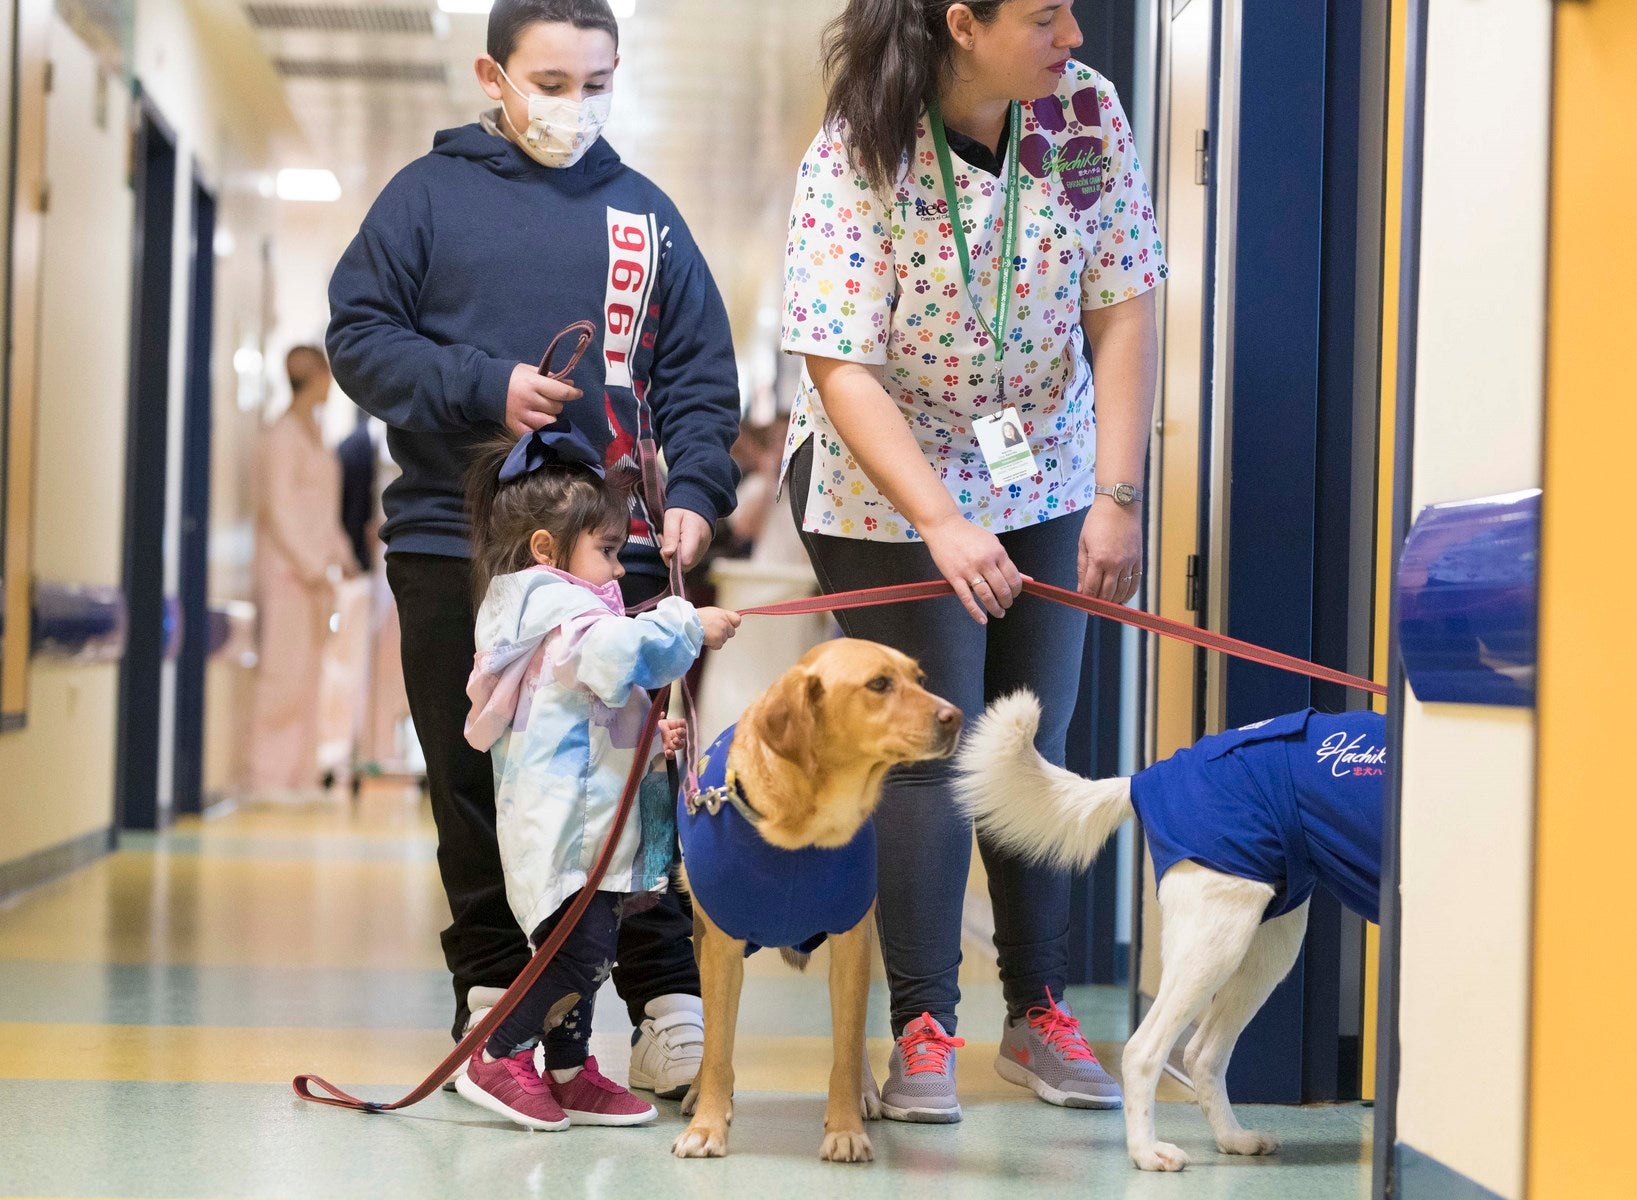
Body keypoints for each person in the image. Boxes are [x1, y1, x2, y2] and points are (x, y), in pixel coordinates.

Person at [325, 0, 741, 1098]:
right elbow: (359, 339)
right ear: (492, 76)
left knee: (633, 787)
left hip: (617, 561)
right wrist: (482, 386)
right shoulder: (424, 199)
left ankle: (665, 1003)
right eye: (550, 83)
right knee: (475, 780)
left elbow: (699, 376)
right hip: (451, 547)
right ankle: (496, 1007)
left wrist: (695, 490)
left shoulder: (645, 217)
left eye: (595, 81)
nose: (575, 104)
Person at [781, 0, 1166, 1121]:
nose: (1076, 37)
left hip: (1041, 459)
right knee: (929, 744)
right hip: (884, 479)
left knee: (1028, 727)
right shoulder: (859, 148)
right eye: (1046, 17)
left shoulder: (1084, 116)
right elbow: (837, 362)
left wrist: (1117, 494)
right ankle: (923, 1026)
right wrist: (942, 520)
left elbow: (1124, 305)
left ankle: (1038, 1011)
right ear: (961, 23)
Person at [459, 425, 740, 1130]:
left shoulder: (558, 616)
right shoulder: (562, 613)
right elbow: (621, 654)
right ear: (547, 551)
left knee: (590, 952)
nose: (619, 571)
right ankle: (497, 1052)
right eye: (609, 552)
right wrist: (685, 622)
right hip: (568, 836)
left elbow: (586, 716)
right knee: (575, 955)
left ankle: (566, 1069)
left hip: (578, 828)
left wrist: (649, 738)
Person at [247, 346, 361, 802]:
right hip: (288, 577)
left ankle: (301, 775)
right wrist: (312, 565)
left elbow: (322, 512)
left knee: (312, 678)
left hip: (316, 579)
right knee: (282, 676)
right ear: (311, 377)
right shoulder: (280, 439)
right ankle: (267, 777)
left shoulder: (314, 437)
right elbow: (280, 513)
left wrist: (343, 557)